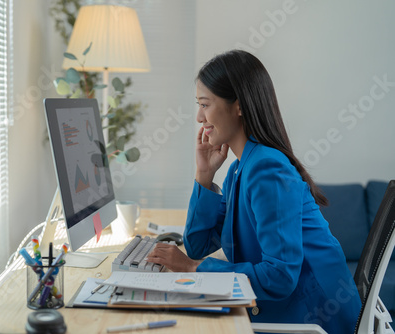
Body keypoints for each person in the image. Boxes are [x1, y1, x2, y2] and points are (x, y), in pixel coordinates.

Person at [146, 50, 361, 333]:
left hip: (316, 317)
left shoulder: (267, 169)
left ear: (239, 106)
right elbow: (198, 245)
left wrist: (192, 268)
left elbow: (280, 276)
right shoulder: (240, 168)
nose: (199, 117)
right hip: (292, 308)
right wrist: (205, 174)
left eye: (205, 104)